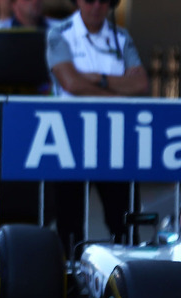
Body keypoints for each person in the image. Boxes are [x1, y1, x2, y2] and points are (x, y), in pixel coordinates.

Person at [46, 0, 148, 256]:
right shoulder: (60, 32)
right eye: (89, 0)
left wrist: (97, 78)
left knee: (123, 220)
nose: (96, 6)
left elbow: (140, 84)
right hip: (70, 139)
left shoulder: (121, 36)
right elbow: (70, 82)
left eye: (104, 1)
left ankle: (124, 282)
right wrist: (114, 91)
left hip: (115, 140)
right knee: (69, 225)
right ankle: (70, 284)